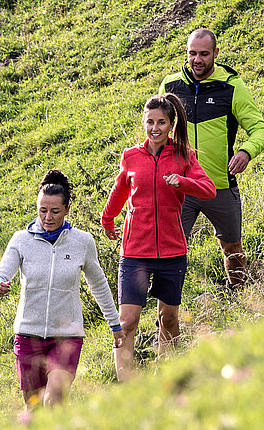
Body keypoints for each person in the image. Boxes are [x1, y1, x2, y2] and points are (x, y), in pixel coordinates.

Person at [101, 93, 215, 381]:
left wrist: (184, 181)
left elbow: (209, 189)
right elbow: (120, 191)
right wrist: (107, 219)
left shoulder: (183, 156)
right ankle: (128, 385)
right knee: (127, 322)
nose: (155, 128)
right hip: (135, 253)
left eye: (161, 122)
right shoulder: (131, 156)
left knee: (169, 319)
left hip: (171, 252)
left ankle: (168, 379)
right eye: (149, 122)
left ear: (171, 124)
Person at [0, 170, 125, 408]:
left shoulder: (82, 242)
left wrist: (115, 324)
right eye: (43, 210)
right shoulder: (21, 240)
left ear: (67, 209)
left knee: (54, 401)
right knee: (34, 410)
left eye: (55, 211)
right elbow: (0, 274)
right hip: (28, 336)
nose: (48, 217)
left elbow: (99, 284)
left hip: (67, 336)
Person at [159, 28, 264, 290]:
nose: (197, 60)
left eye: (204, 54)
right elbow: (155, 129)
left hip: (218, 184)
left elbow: (260, 129)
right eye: (192, 53)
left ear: (216, 54)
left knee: (231, 246)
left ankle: (239, 294)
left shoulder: (232, 87)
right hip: (180, 186)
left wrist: (246, 152)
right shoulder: (170, 85)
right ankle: (166, 318)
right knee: (170, 252)